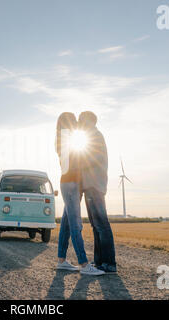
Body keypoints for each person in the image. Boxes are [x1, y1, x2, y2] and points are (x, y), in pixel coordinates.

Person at [55, 112, 105, 276]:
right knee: (76, 224)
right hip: (70, 184)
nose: (77, 123)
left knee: (66, 224)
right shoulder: (65, 138)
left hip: (70, 183)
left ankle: (61, 261)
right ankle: (84, 264)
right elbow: (71, 163)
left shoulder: (66, 137)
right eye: (74, 120)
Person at [78, 111, 117, 273]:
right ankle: (99, 261)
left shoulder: (95, 137)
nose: (79, 122)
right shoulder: (91, 136)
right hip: (90, 185)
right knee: (95, 226)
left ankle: (109, 263)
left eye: (81, 120)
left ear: (90, 121)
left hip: (95, 186)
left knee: (102, 225)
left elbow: (94, 160)